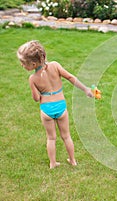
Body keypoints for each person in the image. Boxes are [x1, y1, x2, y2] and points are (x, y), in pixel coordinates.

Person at [17, 40, 94, 169]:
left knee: (51, 138)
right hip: (61, 107)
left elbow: (36, 98)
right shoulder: (55, 65)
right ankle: (73, 160)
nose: (22, 65)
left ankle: (53, 163)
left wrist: (38, 92)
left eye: (23, 63)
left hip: (46, 110)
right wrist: (86, 89)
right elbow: (70, 77)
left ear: (34, 64)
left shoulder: (33, 78)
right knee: (66, 136)